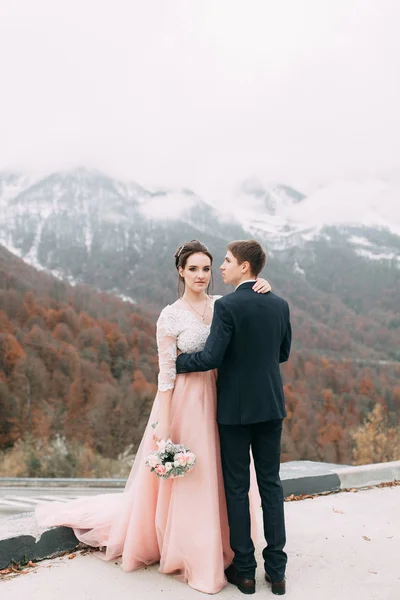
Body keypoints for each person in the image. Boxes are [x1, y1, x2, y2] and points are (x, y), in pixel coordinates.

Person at [36, 239, 271, 595]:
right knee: (196, 477)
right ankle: (194, 549)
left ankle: (233, 547)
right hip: (187, 404)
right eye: (193, 269)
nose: (201, 275)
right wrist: (162, 423)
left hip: (227, 399)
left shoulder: (225, 304)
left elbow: (251, 313)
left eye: (207, 268)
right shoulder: (170, 315)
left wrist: (263, 288)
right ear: (180, 271)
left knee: (229, 476)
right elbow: (166, 373)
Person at [176, 239, 291, 596]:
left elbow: (210, 357)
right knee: (271, 485)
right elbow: (283, 353)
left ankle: (244, 572)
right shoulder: (280, 304)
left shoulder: (226, 306)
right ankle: (277, 572)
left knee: (238, 490)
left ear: (245, 267)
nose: (220, 268)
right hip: (271, 406)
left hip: (235, 411)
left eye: (226, 262)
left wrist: (177, 362)